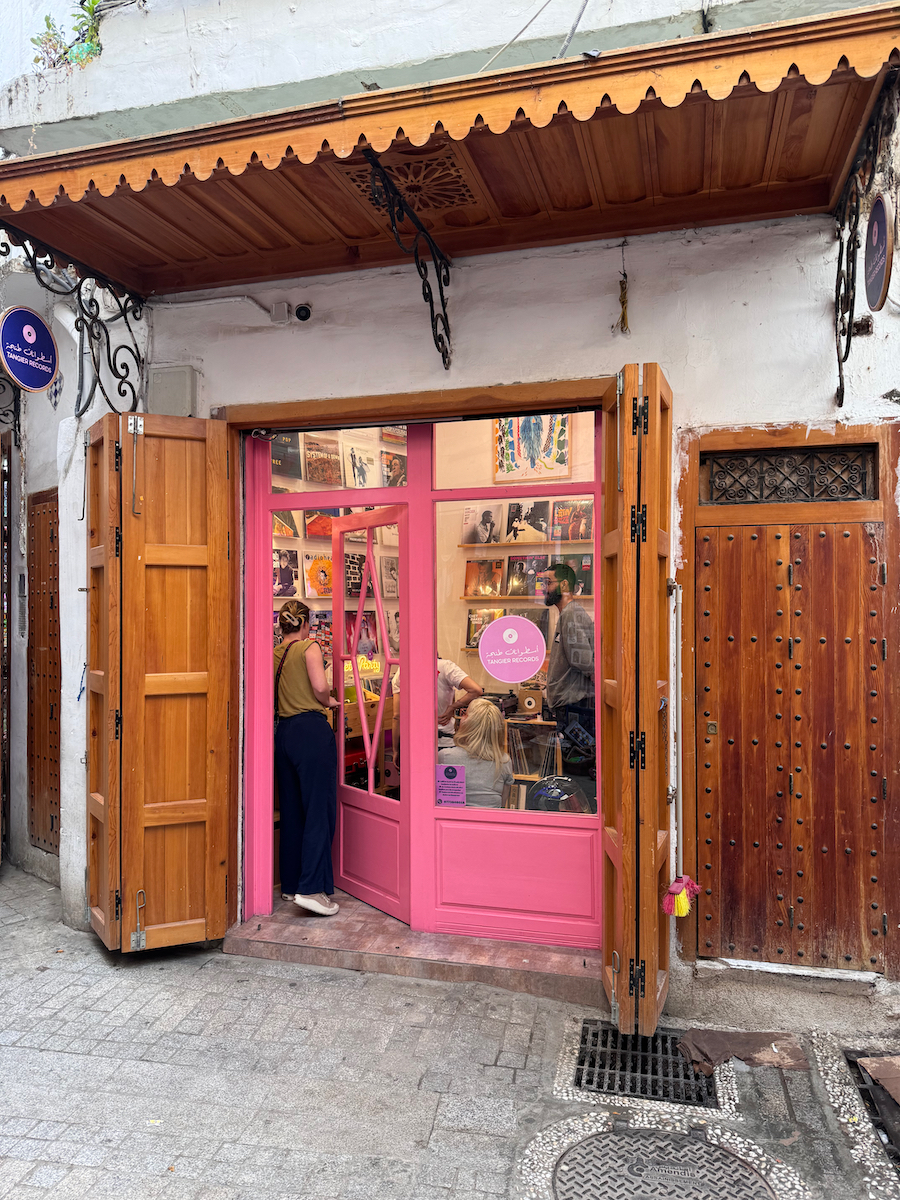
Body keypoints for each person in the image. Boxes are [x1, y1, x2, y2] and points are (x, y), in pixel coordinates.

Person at [274, 600, 341, 916]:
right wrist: (329, 701)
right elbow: (319, 686)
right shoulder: (309, 647)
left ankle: (291, 884)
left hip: (284, 732)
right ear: (305, 624)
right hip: (311, 731)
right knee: (318, 810)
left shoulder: (274, 653)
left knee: (292, 810)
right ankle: (312, 888)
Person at [391, 658, 483, 768]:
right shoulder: (446, 666)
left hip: (414, 743)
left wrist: (396, 750)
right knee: (443, 778)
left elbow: (397, 716)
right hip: (444, 742)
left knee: (418, 778)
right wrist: (452, 707)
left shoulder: (402, 671)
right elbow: (476, 690)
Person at [438, 698, 514, 808]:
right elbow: (502, 805)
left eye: (465, 714)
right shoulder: (504, 761)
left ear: (469, 724)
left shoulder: (445, 757)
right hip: (490, 818)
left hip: (453, 818)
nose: (461, 717)